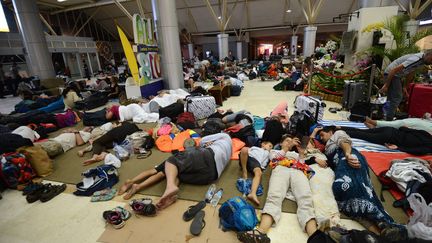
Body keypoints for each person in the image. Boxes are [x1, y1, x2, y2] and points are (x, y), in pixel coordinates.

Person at [318, 126, 404, 237]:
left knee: (352, 187)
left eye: (322, 134)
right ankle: (382, 231)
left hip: (348, 158)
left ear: (330, 132)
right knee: (346, 193)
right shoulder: (325, 148)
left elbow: (344, 142)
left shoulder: (337, 134)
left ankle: (385, 223)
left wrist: (348, 154)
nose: (321, 138)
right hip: (341, 164)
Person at [237, 135, 319, 243]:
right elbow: (275, 159)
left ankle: (316, 237)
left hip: (298, 170)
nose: (290, 143)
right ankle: (260, 232)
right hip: (281, 168)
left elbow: (303, 163)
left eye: (292, 141)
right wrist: (286, 148)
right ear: (281, 143)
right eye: (287, 141)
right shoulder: (274, 151)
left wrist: (301, 152)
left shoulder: (295, 154)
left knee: (306, 199)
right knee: (274, 197)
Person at [379, 50, 432, 121]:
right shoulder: (416, 59)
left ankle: (385, 117)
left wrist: (405, 87)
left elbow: (411, 72)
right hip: (391, 74)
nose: (431, 62)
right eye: (431, 59)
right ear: (428, 55)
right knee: (397, 97)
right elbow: (393, 70)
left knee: (392, 98)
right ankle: (389, 119)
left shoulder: (422, 61)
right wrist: (386, 85)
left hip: (396, 76)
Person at [340, 126, 432, 155]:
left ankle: (338, 127)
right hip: (388, 137)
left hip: (390, 130)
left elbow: (404, 129)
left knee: (362, 131)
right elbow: (417, 151)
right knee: (361, 134)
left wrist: (403, 129)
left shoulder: (426, 134)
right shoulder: (428, 147)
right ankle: (337, 131)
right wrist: (399, 147)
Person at [239, 141, 273, 205]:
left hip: (256, 164)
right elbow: (245, 151)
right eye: (270, 146)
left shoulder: (269, 153)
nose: (270, 148)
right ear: (263, 144)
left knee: (258, 173)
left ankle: (252, 193)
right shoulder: (255, 148)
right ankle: (244, 171)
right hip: (248, 158)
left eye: (271, 147)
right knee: (244, 149)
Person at [364, 116, 432, 133]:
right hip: (427, 123)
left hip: (427, 129)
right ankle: (376, 127)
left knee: (400, 124)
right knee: (403, 121)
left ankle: (374, 123)